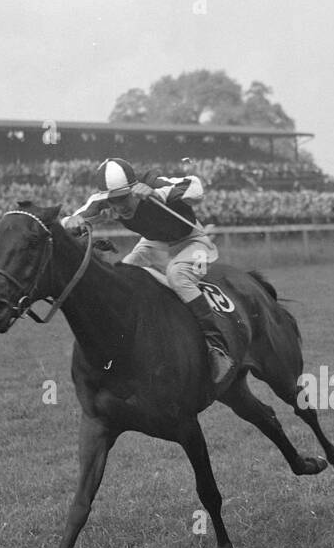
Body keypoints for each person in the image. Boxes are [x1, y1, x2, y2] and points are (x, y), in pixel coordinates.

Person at [62, 157, 234, 383]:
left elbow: (195, 186)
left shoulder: (153, 181)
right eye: (113, 200)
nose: (119, 206)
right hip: (154, 243)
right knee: (122, 274)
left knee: (177, 275)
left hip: (192, 241)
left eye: (124, 197)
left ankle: (216, 346)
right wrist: (72, 221)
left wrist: (156, 194)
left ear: (133, 188)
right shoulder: (101, 200)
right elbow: (69, 220)